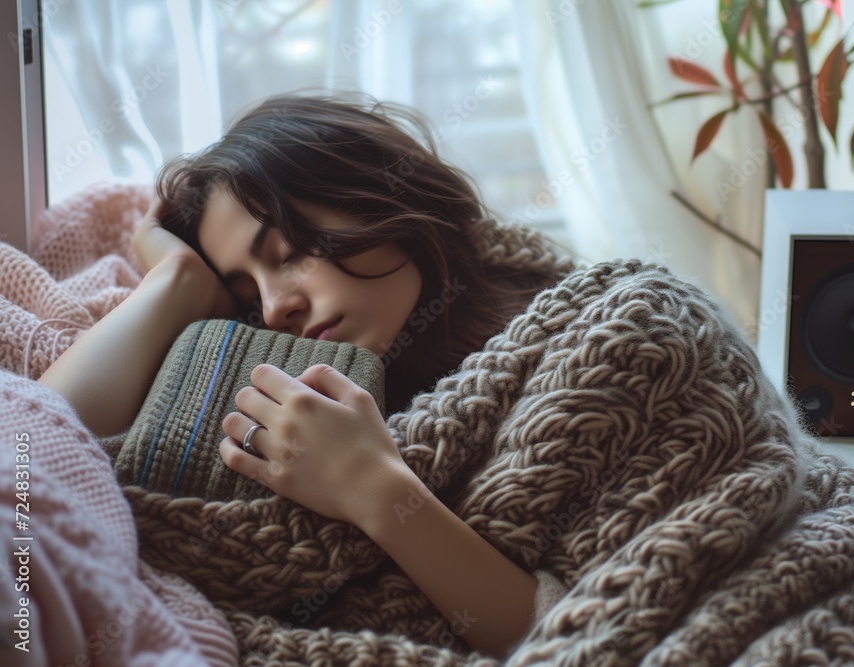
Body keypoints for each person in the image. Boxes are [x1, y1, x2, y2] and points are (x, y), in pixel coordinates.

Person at [38, 92, 577, 658]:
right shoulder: (267, 393)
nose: (273, 309)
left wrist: (370, 486)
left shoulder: (589, 340)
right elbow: (34, 458)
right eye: (246, 293)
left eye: (288, 251)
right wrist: (177, 281)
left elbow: (589, 633)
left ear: (379, 190)